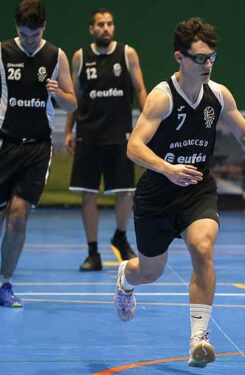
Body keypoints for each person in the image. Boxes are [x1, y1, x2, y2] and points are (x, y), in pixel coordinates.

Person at [113, 17, 245, 368]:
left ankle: (198, 338)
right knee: (150, 272)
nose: (207, 64)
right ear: (180, 57)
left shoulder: (219, 95)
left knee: (202, 246)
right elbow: (134, 146)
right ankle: (125, 280)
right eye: (200, 58)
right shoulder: (162, 99)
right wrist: (167, 168)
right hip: (158, 194)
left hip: (197, 189)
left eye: (212, 57)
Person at [0, 0, 77, 308]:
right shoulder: (0, 52)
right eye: (24, 34)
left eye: (35, 33)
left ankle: (5, 283)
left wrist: (59, 94)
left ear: (44, 27)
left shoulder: (56, 56)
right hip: (4, 144)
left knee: (18, 215)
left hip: (38, 147)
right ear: (17, 28)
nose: (29, 40)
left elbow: (72, 104)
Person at [64, 8, 148, 271]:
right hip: (88, 136)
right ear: (91, 29)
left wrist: (149, 124)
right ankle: (93, 252)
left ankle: (120, 236)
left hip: (120, 135)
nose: (106, 28)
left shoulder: (127, 54)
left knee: (125, 192)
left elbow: (141, 89)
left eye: (110, 24)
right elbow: (73, 97)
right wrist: (69, 131)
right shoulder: (80, 57)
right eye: (100, 24)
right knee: (88, 195)